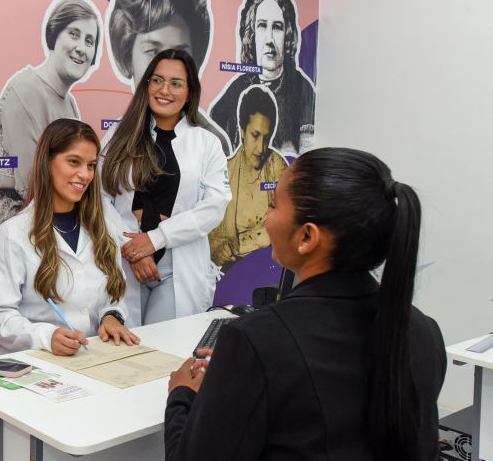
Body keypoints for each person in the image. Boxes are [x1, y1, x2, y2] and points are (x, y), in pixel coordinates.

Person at [165, 148, 446, 460]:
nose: (265, 218)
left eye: (272, 206)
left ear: (307, 237)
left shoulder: (255, 341)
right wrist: (243, 371)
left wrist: (181, 395)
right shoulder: (424, 332)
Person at [0, 118, 139, 357]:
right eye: (74, 162)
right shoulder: (10, 235)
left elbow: (113, 297)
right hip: (30, 360)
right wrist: (46, 337)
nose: (85, 174)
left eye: (90, 165)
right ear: (47, 162)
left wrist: (111, 317)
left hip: (88, 357)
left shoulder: (104, 229)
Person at [101, 49, 230, 326]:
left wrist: (156, 239)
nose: (164, 90)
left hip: (176, 265)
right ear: (146, 84)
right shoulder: (117, 136)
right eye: (157, 80)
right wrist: (132, 248)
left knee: (163, 352)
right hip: (124, 261)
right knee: (123, 355)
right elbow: (99, 199)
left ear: (189, 91)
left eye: (176, 83)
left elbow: (214, 207)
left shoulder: (206, 143)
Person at [0, 0, 101, 247]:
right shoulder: (25, 89)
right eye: (74, 34)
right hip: (17, 232)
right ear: (54, 34)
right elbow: (32, 186)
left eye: (89, 41)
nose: (81, 47)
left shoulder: (68, 102)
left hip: (57, 225)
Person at [106, 0, 231, 156]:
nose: (167, 69)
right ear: (126, 51)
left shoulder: (211, 143)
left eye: (180, 54)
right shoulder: (113, 141)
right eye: (153, 51)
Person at [209, 0, 315, 156]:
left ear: (288, 36)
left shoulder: (303, 91)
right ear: (251, 35)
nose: (269, 39)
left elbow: (307, 160)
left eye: (277, 27)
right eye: (262, 26)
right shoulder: (233, 94)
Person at [209, 86, 288, 268]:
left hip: (269, 268)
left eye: (267, 138)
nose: (261, 148)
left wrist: (239, 246)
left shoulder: (277, 167)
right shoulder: (225, 171)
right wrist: (216, 249)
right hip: (229, 275)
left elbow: (286, 222)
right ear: (242, 130)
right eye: (255, 135)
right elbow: (209, 230)